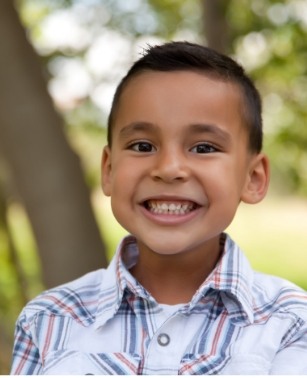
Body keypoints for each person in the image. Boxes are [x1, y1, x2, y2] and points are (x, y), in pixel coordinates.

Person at [11, 41, 307, 375]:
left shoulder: (291, 323)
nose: (168, 168)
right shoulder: (48, 320)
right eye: (142, 145)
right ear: (108, 170)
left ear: (252, 178)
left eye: (204, 147)